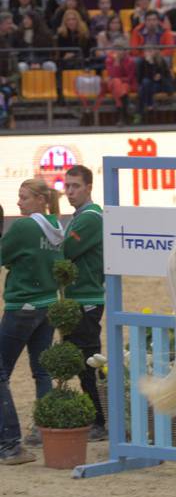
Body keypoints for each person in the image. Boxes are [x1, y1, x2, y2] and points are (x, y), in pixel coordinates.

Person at [0, 179, 63, 458]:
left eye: (24, 197)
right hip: (48, 304)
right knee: (42, 371)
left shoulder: (25, 226)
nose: (19, 203)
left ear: (40, 199)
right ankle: (44, 430)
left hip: (22, 305)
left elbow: (4, 254)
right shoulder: (58, 226)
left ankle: (10, 443)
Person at [61, 165, 107, 442]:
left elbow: (65, 251)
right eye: (66, 186)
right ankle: (99, 418)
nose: (69, 191)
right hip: (81, 297)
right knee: (84, 361)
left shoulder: (90, 217)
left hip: (86, 298)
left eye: (75, 186)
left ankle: (101, 420)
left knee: (88, 362)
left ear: (89, 187)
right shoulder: (83, 216)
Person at [98, 39, 136, 125]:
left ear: (125, 51)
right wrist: (117, 62)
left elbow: (129, 78)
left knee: (121, 86)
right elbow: (113, 75)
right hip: (112, 84)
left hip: (125, 84)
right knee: (116, 82)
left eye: (121, 49)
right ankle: (125, 114)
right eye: (116, 49)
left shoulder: (130, 61)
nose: (118, 52)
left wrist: (120, 79)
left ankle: (121, 117)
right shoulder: (109, 60)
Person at [136, 46, 174, 122]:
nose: (148, 53)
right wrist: (148, 63)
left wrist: (160, 77)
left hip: (159, 85)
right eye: (146, 51)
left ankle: (140, 114)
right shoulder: (142, 62)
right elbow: (139, 78)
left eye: (150, 51)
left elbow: (168, 76)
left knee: (143, 88)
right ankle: (150, 106)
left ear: (155, 51)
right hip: (147, 85)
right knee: (145, 82)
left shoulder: (161, 61)